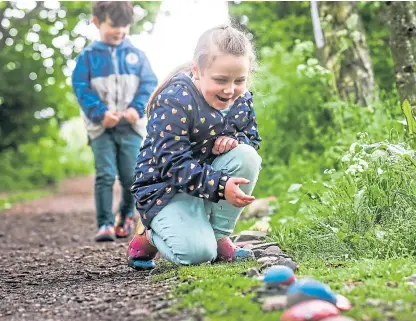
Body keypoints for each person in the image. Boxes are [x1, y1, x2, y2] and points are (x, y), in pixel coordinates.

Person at [127, 24, 262, 270]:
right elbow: (171, 163)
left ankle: (219, 236)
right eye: (220, 80)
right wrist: (221, 185)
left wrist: (237, 141)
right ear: (197, 71)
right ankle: (149, 234)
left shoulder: (240, 100)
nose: (230, 90)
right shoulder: (175, 99)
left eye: (239, 80)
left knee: (247, 156)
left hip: (205, 181)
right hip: (164, 189)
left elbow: (252, 137)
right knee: (197, 254)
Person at [72, 1, 158, 242]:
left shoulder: (137, 56)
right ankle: (104, 224)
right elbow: (81, 88)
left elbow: (149, 84)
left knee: (131, 175)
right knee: (105, 174)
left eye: (124, 26)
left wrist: (136, 108)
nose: (119, 31)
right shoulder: (88, 58)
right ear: (97, 23)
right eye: (113, 25)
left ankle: (125, 215)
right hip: (101, 128)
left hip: (130, 127)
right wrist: (100, 113)